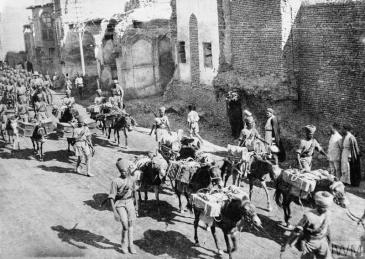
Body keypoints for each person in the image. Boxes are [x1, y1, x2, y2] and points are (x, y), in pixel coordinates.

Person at [281, 191, 333, 259]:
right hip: (310, 243)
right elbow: (296, 231)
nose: (325, 209)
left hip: (322, 242)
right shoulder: (308, 216)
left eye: (326, 207)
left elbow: (327, 229)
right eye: (323, 207)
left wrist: (329, 242)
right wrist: (286, 244)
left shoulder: (328, 214)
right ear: (317, 205)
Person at [109, 158, 138, 254]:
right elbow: (111, 198)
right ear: (119, 171)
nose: (124, 173)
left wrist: (136, 206)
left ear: (128, 171)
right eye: (122, 171)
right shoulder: (115, 181)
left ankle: (131, 245)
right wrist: (115, 212)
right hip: (120, 204)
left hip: (130, 202)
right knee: (125, 225)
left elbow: (135, 193)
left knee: (131, 225)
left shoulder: (132, 179)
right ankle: (123, 243)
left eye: (125, 171)